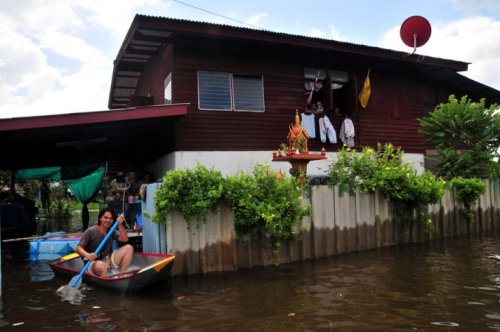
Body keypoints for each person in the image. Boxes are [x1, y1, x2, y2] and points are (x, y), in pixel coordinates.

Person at [76, 208, 134, 277]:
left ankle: (121, 275)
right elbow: (78, 248)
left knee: (129, 248)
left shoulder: (111, 230)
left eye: (110, 218)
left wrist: (120, 225)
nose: (108, 220)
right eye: (105, 218)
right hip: (92, 263)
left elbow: (125, 239)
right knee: (100, 265)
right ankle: (106, 277)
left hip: (107, 260)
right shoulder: (90, 231)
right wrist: (88, 255)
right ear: (100, 218)